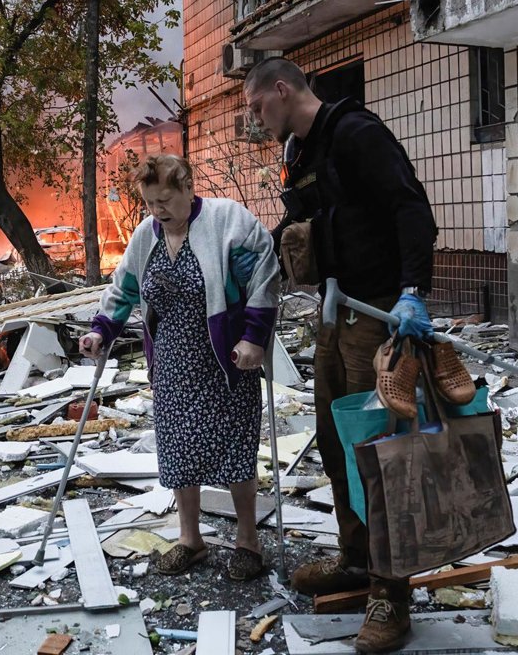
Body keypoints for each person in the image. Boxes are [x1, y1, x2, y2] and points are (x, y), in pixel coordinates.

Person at [244, 57, 437, 653]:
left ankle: (391, 593)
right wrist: (255, 261)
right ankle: (356, 558)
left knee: (377, 452)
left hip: (378, 313)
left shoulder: (357, 133)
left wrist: (413, 291)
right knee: (335, 442)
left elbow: (411, 208)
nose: (255, 119)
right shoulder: (303, 152)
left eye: (257, 106)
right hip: (335, 312)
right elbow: (303, 221)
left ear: (282, 90)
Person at [79, 154, 279, 582]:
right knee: (178, 453)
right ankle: (191, 539)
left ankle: (248, 542)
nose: (158, 210)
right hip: (171, 365)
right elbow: (123, 288)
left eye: (166, 200)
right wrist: (100, 330)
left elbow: (263, 276)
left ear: (188, 188)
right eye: (150, 202)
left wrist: (254, 337)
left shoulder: (227, 222)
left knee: (235, 450)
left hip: (225, 361)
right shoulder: (145, 236)